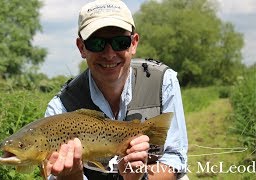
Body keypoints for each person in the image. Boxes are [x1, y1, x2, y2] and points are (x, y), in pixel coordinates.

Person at [42, 0, 188, 179]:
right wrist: (72, 175)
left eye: (120, 42)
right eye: (96, 43)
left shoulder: (162, 81)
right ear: (82, 47)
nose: (109, 54)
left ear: (133, 43)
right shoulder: (61, 108)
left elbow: (175, 159)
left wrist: (138, 178)